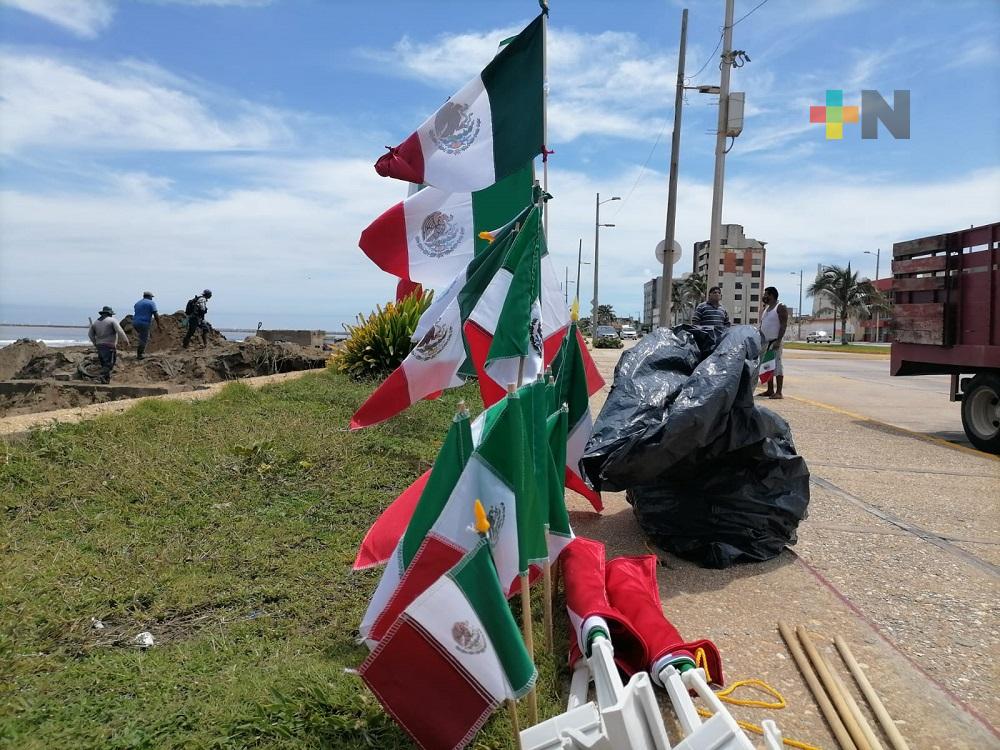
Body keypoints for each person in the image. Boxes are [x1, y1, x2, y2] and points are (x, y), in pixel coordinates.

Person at [758, 286, 789, 399]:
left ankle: (779, 392)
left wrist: (779, 340)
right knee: (767, 366)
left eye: (766, 294)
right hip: (765, 341)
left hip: (775, 341)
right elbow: (763, 325)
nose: (764, 297)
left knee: (777, 365)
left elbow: (783, 325)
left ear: (771, 295)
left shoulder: (780, 307)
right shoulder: (766, 309)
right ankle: (770, 390)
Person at [88, 306, 129, 384]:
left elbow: (90, 335)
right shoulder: (112, 320)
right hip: (109, 346)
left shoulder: (96, 322)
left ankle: (105, 381)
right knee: (110, 364)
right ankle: (101, 375)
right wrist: (126, 340)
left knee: (104, 363)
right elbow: (119, 330)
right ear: (109, 314)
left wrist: (95, 343)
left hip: (100, 346)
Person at [132, 291, 162, 360]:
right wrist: (159, 325)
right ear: (149, 296)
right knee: (144, 338)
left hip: (135, 322)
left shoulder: (137, 303)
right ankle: (139, 355)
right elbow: (155, 314)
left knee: (142, 336)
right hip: (144, 323)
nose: (152, 298)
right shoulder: (151, 303)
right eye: (151, 297)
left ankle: (141, 351)